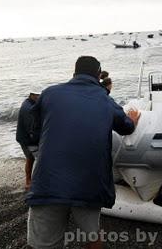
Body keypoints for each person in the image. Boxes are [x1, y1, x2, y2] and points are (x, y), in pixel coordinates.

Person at [26, 56, 140, 249]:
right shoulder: (105, 99)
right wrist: (133, 119)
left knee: (43, 244)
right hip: (89, 184)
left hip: (48, 182)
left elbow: (34, 131)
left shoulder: (49, 93)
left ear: (74, 73)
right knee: (91, 236)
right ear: (98, 75)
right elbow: (126, 127)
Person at [16, 92, 40, 190]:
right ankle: (28, 182)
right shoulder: (28, 109)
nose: (40, 97)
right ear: (32, 95)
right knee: (32, 158)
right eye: (38, 95)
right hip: (25, 138)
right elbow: (32, 130)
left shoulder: (29, 103)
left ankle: (30, 181)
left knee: (31, 158)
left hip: (25, 136)